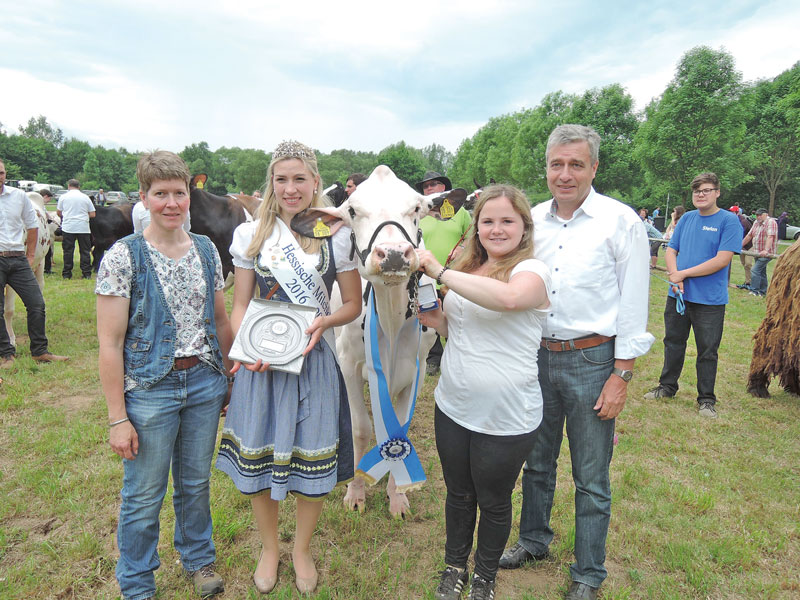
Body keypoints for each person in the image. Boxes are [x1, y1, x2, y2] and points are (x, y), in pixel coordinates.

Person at [500, 125, 654, 600]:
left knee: (591, 475)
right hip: (536, 356)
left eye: (576, 165)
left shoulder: (620, 221)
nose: (564, 175)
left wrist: (621, 375)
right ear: (546, 166)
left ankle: (588, 572)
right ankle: (533, 540)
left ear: (594, 167)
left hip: (592, 359)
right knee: (536, 461)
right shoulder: (531, 221)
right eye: (556, 165)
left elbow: (633, 302)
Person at [215, 140, 361, 595]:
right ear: (271, 183)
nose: (291, 188)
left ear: (316, 182)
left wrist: (326, 320)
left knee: (311, 461)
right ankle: (269, 549)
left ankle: (300, 549)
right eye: (282, 179)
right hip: (262, 365)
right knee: (259, 458)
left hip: (313, 361)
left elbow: (353, 305)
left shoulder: (337, 234)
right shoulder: (252, 234)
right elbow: (239, 304)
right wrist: (244, 349)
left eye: (300, 178)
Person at [96, 151, 234, 600]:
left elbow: (221, 319)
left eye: (180, 193)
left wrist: (231, 378)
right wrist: (118, 417)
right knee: (143, 494)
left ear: (189, 196)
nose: (172, 203)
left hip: (204, 381)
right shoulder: (123, 257)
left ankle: (198, 560)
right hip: (150, 388)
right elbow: (110, 344)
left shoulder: (207, 250)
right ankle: (137, 583)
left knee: (195, 483)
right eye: (161, 194)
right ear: (144, 197)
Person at [416, 184, 550, 600]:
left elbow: (509, 300)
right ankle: (454, 567)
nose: (495, 229)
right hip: (453, 405)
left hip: (506, 415)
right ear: (476, 227)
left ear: (524, 226)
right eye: (487, 221)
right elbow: (455, 328)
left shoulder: (533, 272)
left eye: (507, 221)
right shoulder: (468, 271)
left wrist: (438, 271)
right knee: (458, 493)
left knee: (493, 501)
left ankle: (484, 578)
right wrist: (430, 310)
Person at [643, 172, 743, 418]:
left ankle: (706, 400)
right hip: (678, 295)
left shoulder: (729, 221)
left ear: (717, 192)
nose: (701, 194)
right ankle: (667, 387)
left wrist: (682, 274)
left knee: (707, 350)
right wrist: (675, 276)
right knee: (673, 343)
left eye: (706, 190)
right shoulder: (686, 218)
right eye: (697, 190)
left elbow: (722, 260)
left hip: (709, 300)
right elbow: (671, 249)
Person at [0, 159, 69, 368]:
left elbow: (32, 226)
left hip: (18, 257)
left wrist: (30, 256)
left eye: (1, 172)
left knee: (36, 304)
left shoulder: (18, 196)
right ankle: (6, 354)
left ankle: (39, 351)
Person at [416, 170, 472, 376]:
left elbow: (472, 236)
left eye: (434, 184)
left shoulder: (461, 213)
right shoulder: (419, 213)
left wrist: (462, 248)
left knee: (456, 317)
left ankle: (458, 357)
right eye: (426, 186)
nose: (429, 188)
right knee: (430, 317)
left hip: (454, 277)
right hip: (425, 278)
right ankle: (433, 359)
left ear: (444, 188)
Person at [57, 179, 95, 279]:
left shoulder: (63, 197)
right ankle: (86, 273)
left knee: (68, 251)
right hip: (83, 227)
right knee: (85, 251)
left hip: (68, 227)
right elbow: (92, 214)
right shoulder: (85, 197)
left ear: (69, 186)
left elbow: (59, 212)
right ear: (79, 186)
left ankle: (67, 274)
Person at [742, 208, 777, 298]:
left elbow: (770, 237)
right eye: (757, 215)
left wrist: (766, 250)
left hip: (767, 253)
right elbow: (749, 235)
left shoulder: (771, 222)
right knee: (761, 272)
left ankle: (754, 291)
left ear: (766, 214)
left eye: (760, 215)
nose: (758, 217)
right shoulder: (756, 223)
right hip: (757, 252)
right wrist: (739, 245)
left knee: (755, 270)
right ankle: (763, 291)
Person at [39, 189, 55, 274]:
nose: (49, 202)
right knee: (47, 250)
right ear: (45, 197)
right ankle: (46, 269)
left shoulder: (40, 205)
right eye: (49, 199)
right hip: (41, 231)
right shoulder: (40, 205)